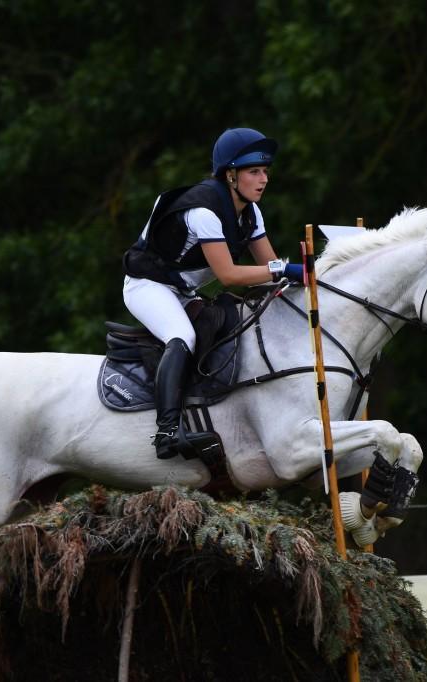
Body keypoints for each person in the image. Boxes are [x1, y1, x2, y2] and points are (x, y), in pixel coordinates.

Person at [121, 127, 303, 459]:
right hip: (146, 285)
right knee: (182, 337)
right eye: (254, 171)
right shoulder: (203, 212)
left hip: (181, 289)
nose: (263, 179)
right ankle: (167, 433)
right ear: (230, 175)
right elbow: (230, 275)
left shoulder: (250, 212)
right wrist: (285, 270)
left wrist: (308, 277)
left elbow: (269, 268)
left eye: (265, 171)